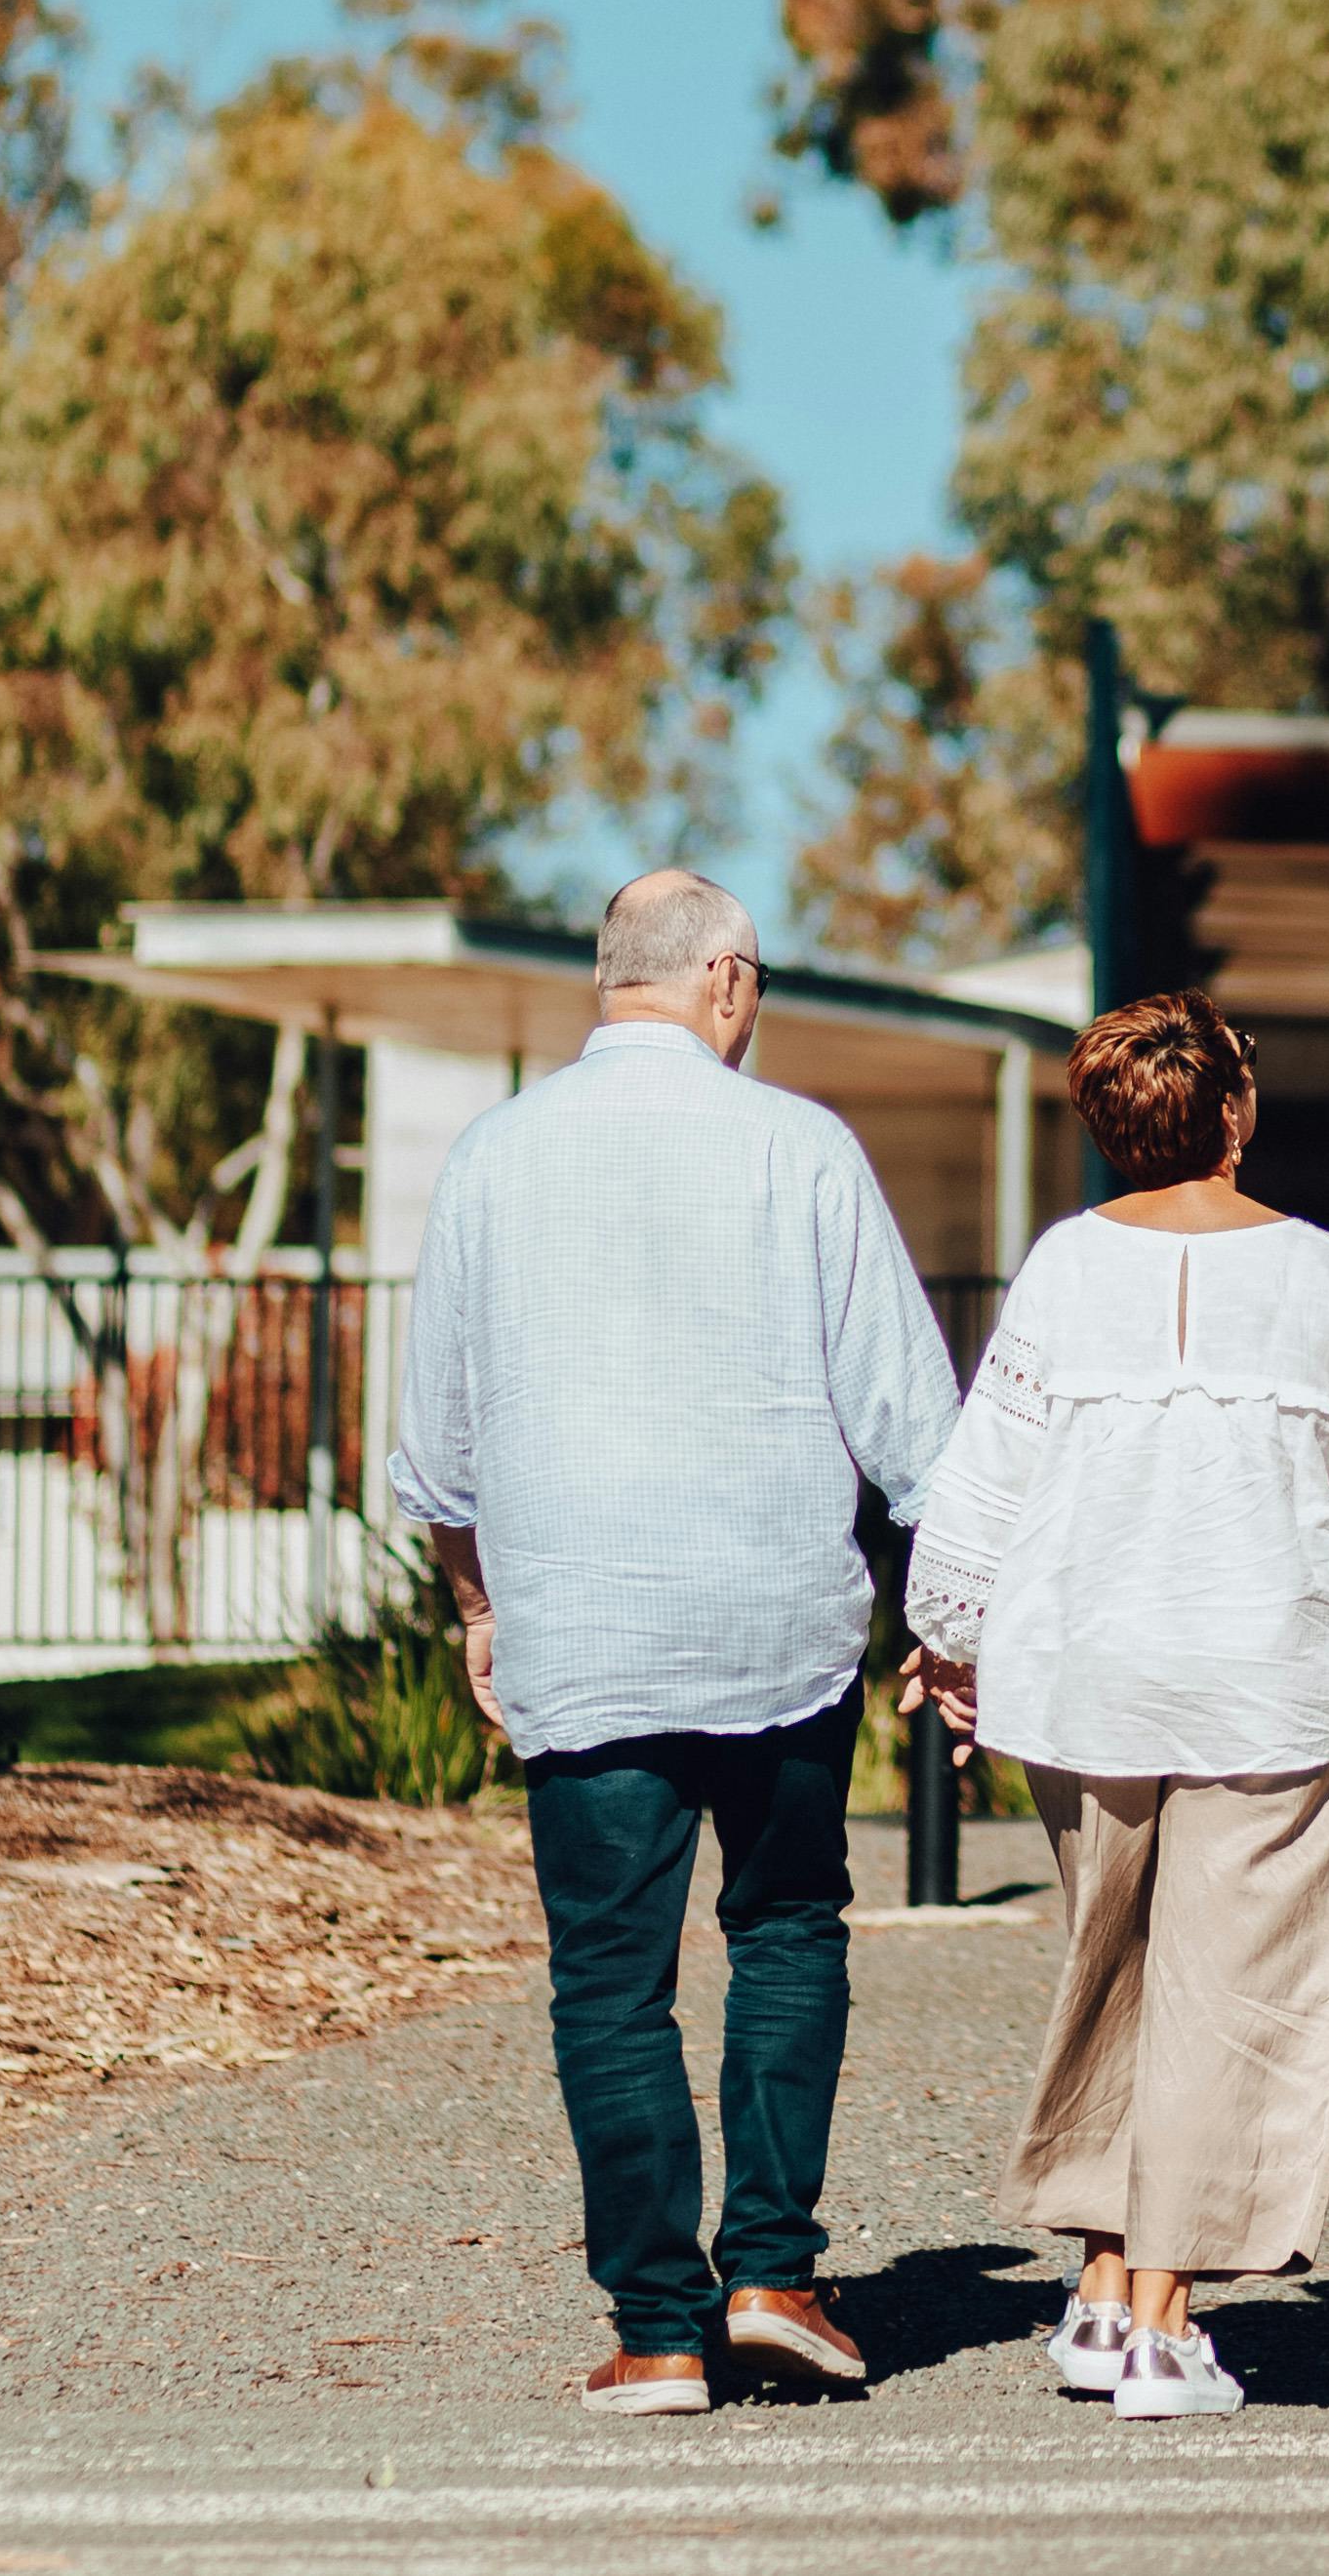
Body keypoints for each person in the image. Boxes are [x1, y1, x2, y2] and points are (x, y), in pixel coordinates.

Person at [394, 868, 960, 2416]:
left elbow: (436, 1448)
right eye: (756, 982)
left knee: (609, 1979)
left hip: (583, 1623)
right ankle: (771, 2271)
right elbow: (913, 1424)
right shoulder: (802, 1149)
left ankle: (658, 2329)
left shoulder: (494, 1157)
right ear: (723, 977)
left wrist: (479, 1606)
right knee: (784, 1926)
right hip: (776, 1619)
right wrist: (954, 1612)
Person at [905, 989, 1329, 2426]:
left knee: (1116, 1972)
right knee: (1230, 1994)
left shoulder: (1064, 1269)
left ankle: (1093, 2296)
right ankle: (1162, 2326)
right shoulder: (1321, 1273)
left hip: (1081, 1682)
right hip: (1267, 1686)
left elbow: (982, 1476)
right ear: (1233, 1112)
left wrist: (948, 1641)